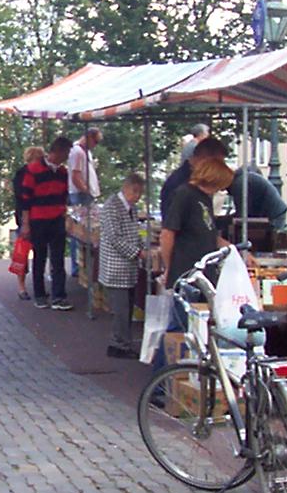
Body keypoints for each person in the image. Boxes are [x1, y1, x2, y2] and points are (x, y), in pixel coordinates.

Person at [158, 140, 230, 326]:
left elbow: (208, 233)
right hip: (186, 273)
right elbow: (168, 233)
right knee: (180, 326)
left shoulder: (204, 198)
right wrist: (169, 269)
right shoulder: (184, 194)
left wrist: (230, 249)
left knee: (194, 326)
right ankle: (166, 355)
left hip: (202, 275)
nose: (221, 189)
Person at [97, 172, 148, 358]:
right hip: (116, 267)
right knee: (121, 309)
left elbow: (135, 232)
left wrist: (142, 246)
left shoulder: (132, 209)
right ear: (126, 188)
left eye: (140, 193)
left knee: (127, 306)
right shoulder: (111, 207)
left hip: (128, 268)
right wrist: (137, 252)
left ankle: (123, 342)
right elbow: (114, 237)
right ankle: (119, 344)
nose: (137, 196)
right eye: (135, 192)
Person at [19, 144, 72, 309]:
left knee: (58, 259)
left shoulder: (63, 172)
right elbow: (25, 199)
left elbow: (64, 195)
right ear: (57, 152)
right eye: (66, 153)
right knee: (39, 257)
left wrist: (63, 211)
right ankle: (40, 295)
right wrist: (26, 224)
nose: (67, 157)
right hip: (38, 219)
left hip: (57, 219)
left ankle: (58, 296)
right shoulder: (33, 170)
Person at [67, 127, 102, 301]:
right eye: (95, 141)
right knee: (80, 230)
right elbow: (75, 176)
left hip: (85, 193)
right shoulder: (78, 153)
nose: (96, 145)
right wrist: (86, 190)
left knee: (83, 228)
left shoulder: (83, 152)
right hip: (81, 195)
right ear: (88, 137)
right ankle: (77, 266)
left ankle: (80, 266)